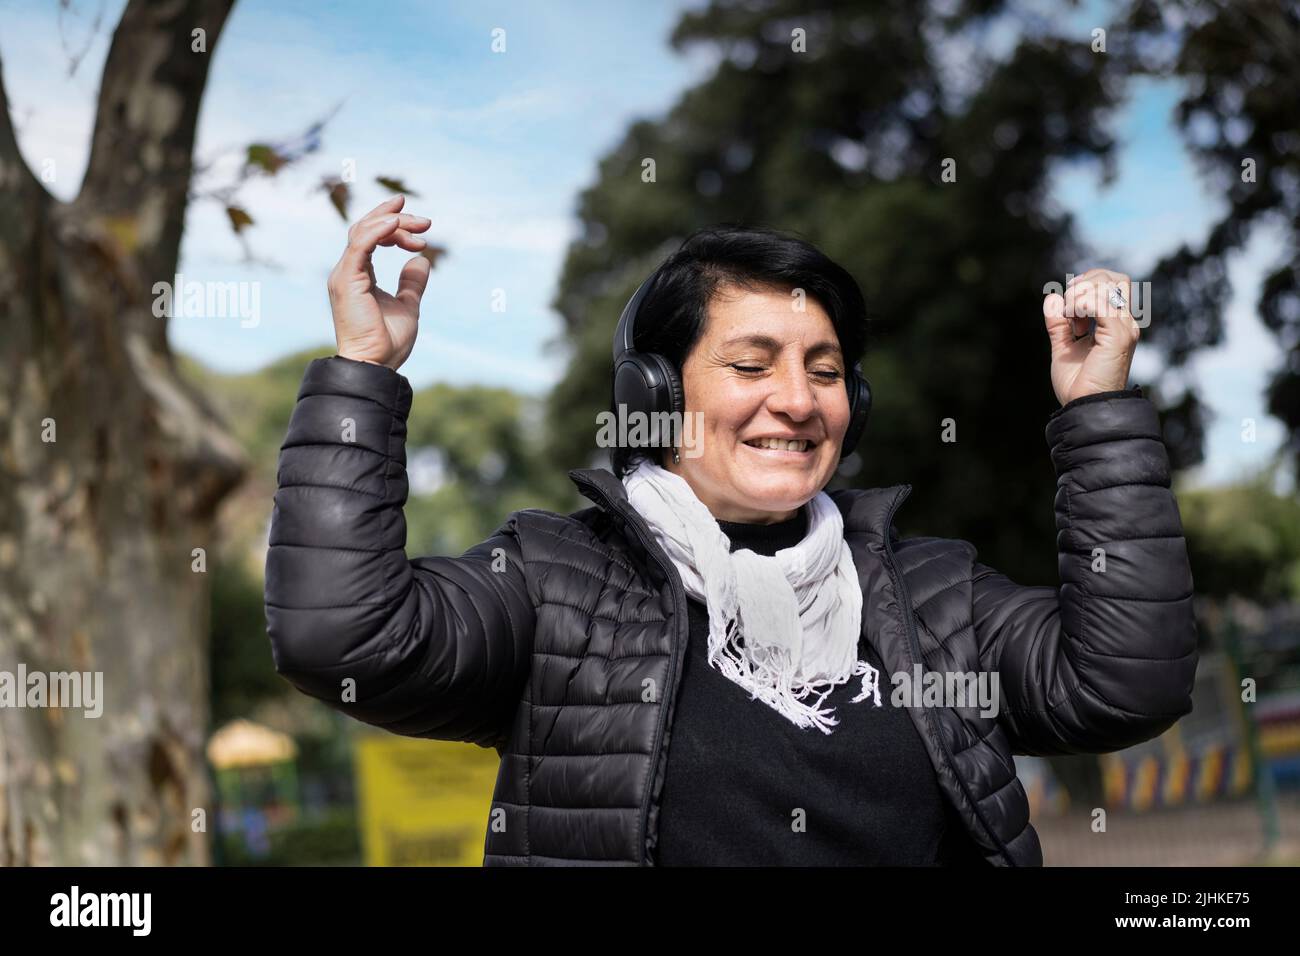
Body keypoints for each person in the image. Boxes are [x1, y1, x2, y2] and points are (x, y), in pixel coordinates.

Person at [264, 195, 1199, 866]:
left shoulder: (929, 593)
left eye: (826, 371)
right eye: (752, 363)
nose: (795, 401)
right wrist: (362, 372)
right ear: (655, 397)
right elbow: (343, 637)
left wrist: (1097, 410)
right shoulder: (554, 582)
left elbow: (1122, 684)